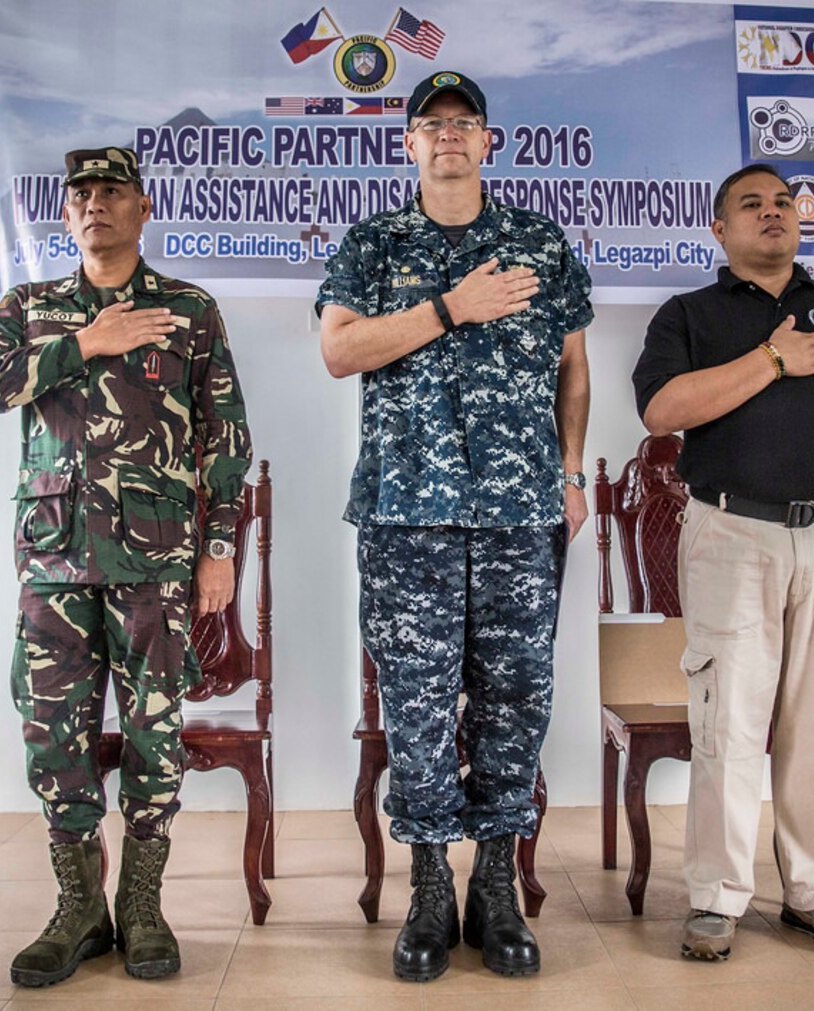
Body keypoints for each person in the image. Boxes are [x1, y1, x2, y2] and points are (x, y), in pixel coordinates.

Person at [316, 71, 592, 981]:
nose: (445, 136)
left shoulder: (540, 243)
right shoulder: (375, 242)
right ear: (407, 145)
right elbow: (338, 350)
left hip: (520, 517)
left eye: (462, 123)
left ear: (488, 143)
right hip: (406, 516)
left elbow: (573, 370)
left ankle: (498, 887)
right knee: (421, 705)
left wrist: (569, 472)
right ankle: (432, 884)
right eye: (429, 124)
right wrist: (448, 308)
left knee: (517, 698)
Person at [0, 146, 252, 985]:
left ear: (142, 207)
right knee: (56, 734)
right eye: (81, 194)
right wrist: (84, 343)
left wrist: (221, 547)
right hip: (54, 558)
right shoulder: (29, 307)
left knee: (156, 734)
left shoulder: (188, 310)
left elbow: (223, 436)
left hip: (157, 560)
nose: (95, 205)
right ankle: (78, 907)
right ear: (65, 215)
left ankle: (141, 906)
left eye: (112, 191)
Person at [632, 163, 814, 961]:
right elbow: (661, 411)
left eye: (784, 202)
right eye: (751, 204)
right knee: (730, 723)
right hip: (731, 534)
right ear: (719, 229)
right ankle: (715, 898)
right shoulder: (690, 314)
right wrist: (775, 360)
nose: (773, 213)